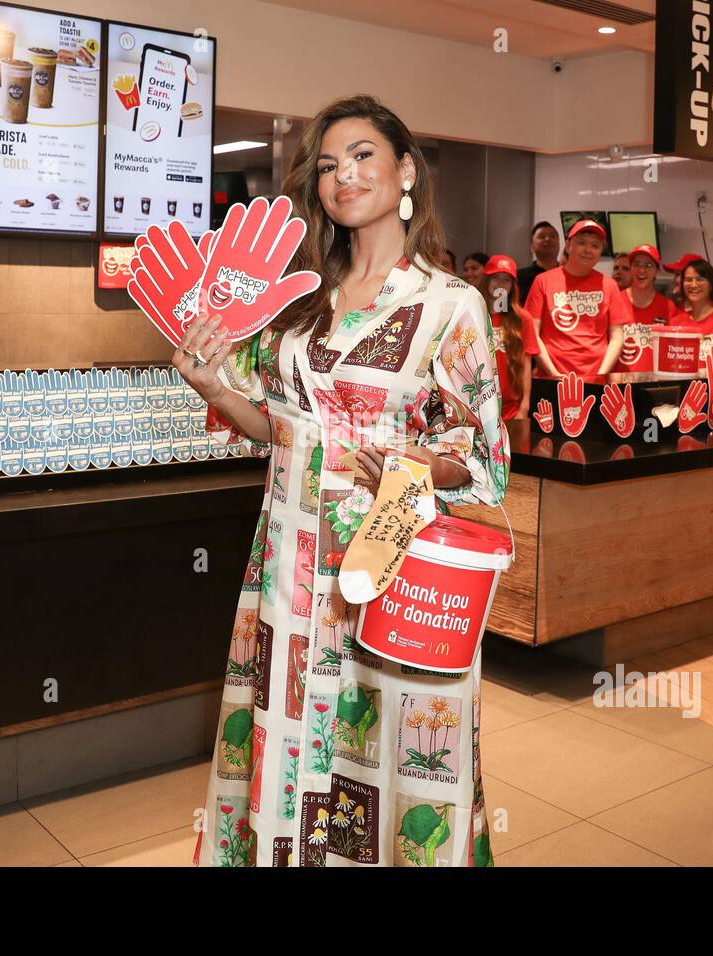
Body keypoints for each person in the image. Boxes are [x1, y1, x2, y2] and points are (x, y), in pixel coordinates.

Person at [176, 93, 509, 869]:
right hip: (289, 571)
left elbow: (481, 450)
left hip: (389, 562)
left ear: (406, 174)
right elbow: (276, 426)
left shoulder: (447, 305)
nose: (343, 174)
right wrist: (215, 387)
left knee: (391, 752)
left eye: (362, 155)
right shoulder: (299, 306)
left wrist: (420, 465)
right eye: (328, 164)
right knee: (292, 744)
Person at [522, 218, 629, 377]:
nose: (588, 250)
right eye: (582, 243)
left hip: (596, 380)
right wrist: (554, 373)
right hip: (551, 379)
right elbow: (532, 332)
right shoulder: (543, 281)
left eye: (595, 245)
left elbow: (617, 336)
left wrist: (600, 374)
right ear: (569, 245)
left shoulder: (609, 285)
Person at [480, 253, 540, 421]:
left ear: (513, 285)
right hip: (479, 408)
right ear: (486, 280)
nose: (500, 284)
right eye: (495, 277)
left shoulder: (522, 318)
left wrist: (524, 407)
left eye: (506, 280)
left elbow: (526, 366)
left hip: (512, 409)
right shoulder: (473, 314)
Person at [666, 257, 713, 369]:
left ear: (710, 284)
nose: (693, 285)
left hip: (712, 386)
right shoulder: (675, 322)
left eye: (699, 279)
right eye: (688, 280)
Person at [616, 244, 675, 373]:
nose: (641, 270)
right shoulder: (615, 301)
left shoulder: (667, 306)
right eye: (636, 264)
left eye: (648, 265)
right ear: (630, 268)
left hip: (656, 384)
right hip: (620, 384)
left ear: (656, 271)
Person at [516, 221, 561, 300]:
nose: (547, 239)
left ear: (559, 245)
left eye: (552, 236)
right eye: (542, 236)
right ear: (532, 247)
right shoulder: (518, 277)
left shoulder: (568, 275)